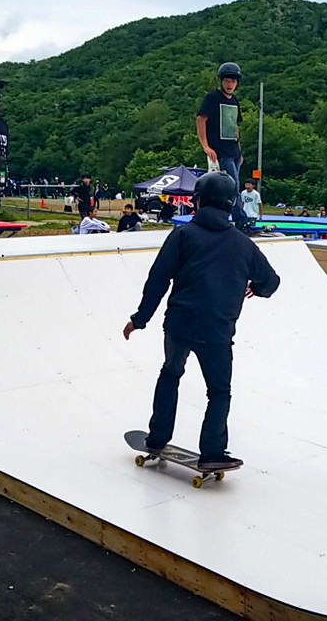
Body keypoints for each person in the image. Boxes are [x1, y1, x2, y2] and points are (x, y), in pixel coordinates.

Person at [123, 172, 280, 471]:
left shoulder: (182, 235)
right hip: (217, 332)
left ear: (198, 200)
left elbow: (158, 279)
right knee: (219, 392)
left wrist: (139, 319)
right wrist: (257, 288)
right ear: (231, 204)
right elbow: (271, 282)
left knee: (170, 374)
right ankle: (212, 452)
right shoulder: (244, 244)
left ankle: (157, 438)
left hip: (179, 325)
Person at [196, 62, 251, 232]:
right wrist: (205, 145)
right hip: (220, 151)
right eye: (227, 81)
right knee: (232, 187)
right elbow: (200, 119)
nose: (230, 84)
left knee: (235, 185)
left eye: (233, 81)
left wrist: (239, 150)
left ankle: (222, 220)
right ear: (221, 81)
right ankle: (241, 222)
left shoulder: (234, 100)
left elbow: (235, 126)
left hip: (233, 150)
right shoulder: (212, 97)